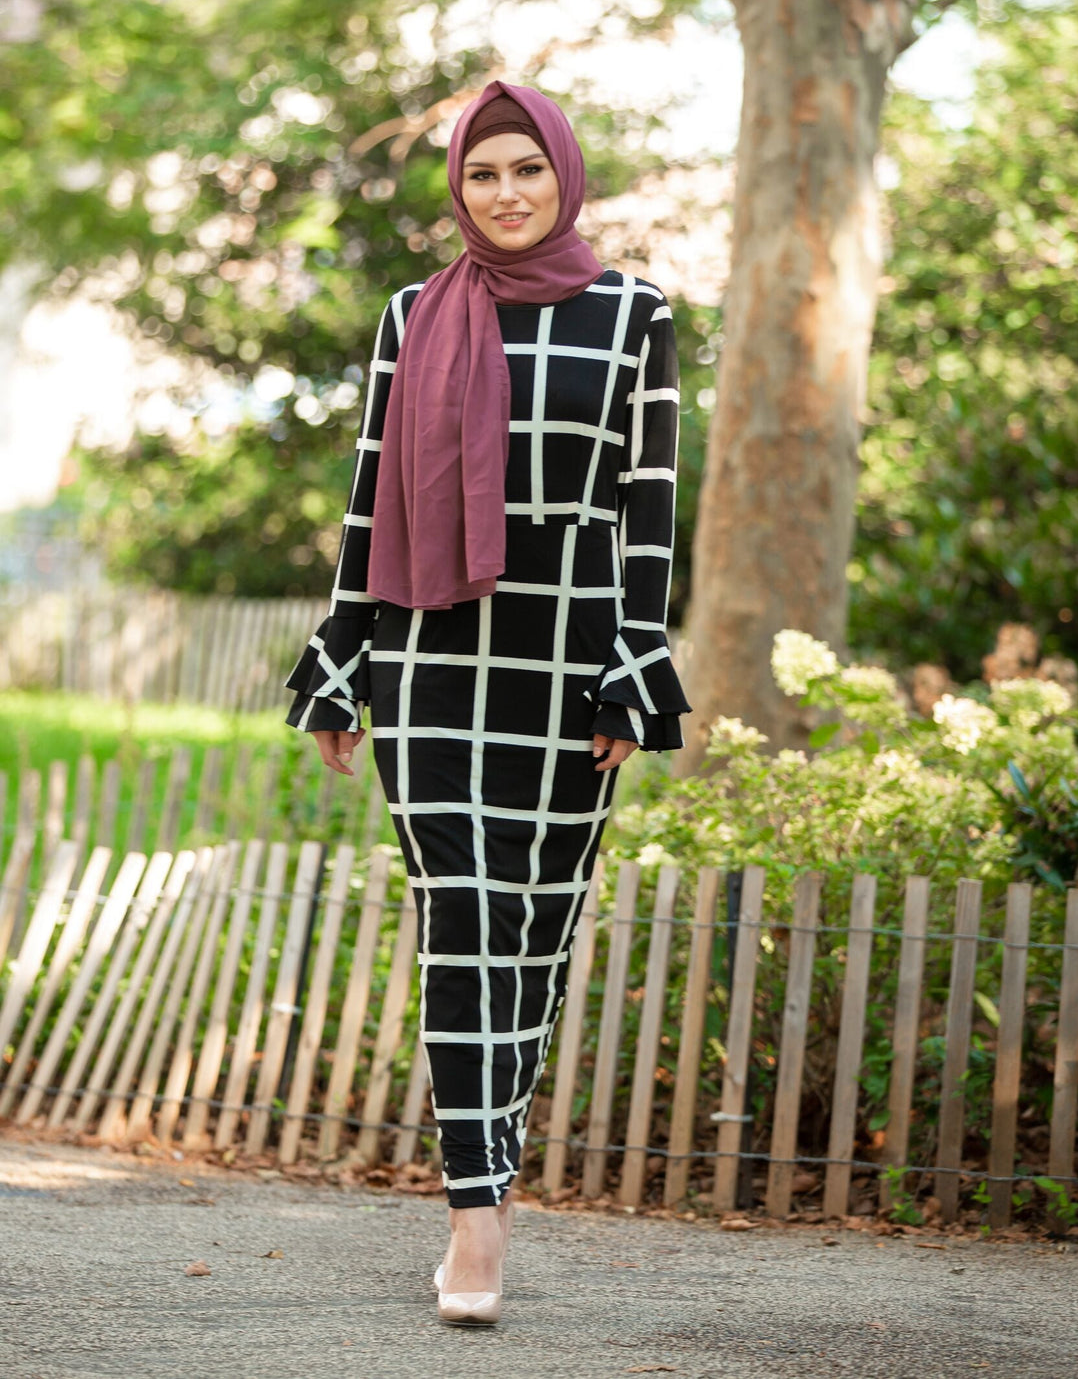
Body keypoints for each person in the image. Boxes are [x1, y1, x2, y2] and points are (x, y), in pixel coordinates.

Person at [285, 79, 689, 1325]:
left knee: (534, 941)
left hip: (568, 671)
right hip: (431, 662)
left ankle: (493, 1173)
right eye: (481, 175)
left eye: (527, 170)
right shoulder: (417, 312)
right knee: (458, 925)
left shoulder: (635, 318)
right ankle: (475, 1222)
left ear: (564, 174)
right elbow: (369, 501)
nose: (505, 194)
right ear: (457, 189)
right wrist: (341, 655)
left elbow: (647, 509)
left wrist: (636, 660)